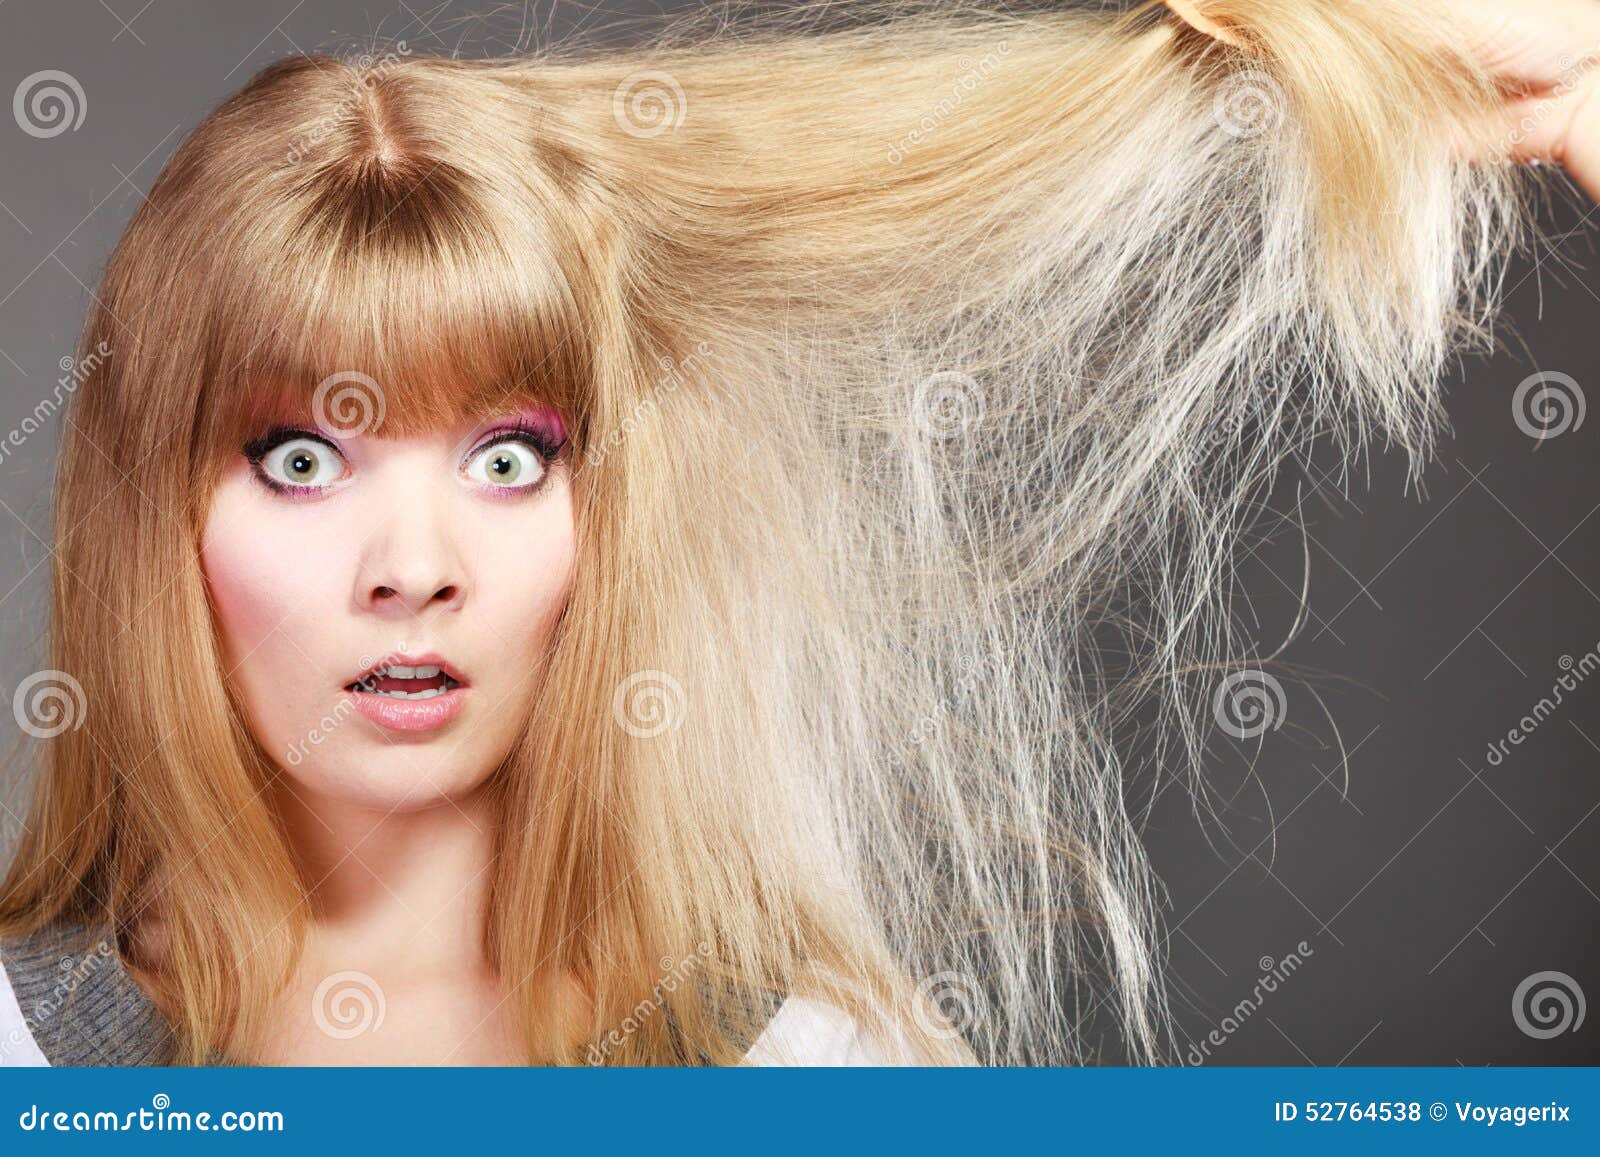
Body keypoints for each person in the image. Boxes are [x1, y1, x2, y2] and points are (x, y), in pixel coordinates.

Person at [0, 0, 1593, 1066]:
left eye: (507, 455)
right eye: (299, 455)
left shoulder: (821, 1063)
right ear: (154, 518)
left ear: (605, 508)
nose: (412, 566)